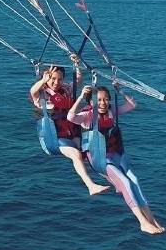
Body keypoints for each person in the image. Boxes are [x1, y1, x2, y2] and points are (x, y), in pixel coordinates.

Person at [68, 84, 165, 235]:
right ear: (92, 102)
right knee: (125, 182)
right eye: (99, 100)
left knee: (134, 180)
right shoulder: (87, 117)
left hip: (116, 156)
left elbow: (132, 105)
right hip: (99, 159)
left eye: (106, 99)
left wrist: (120, 91)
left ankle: (151, 219)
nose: (103, 103)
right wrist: (81, 96)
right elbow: (71, 117)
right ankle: (142, 222)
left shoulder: (112, 113)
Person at [29, 62, 111, 196]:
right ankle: (91, 186)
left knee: (89, 155)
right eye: (52, 79)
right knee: (76, 155)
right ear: (47, 78)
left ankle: (111, 179)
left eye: (59, 79)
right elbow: (33, 91)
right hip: (54, 138)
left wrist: (76, 64)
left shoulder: (66, 88)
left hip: (73, 132)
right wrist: (43, 80)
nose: (56, 82)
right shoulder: (42, 94)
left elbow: (78, 80)